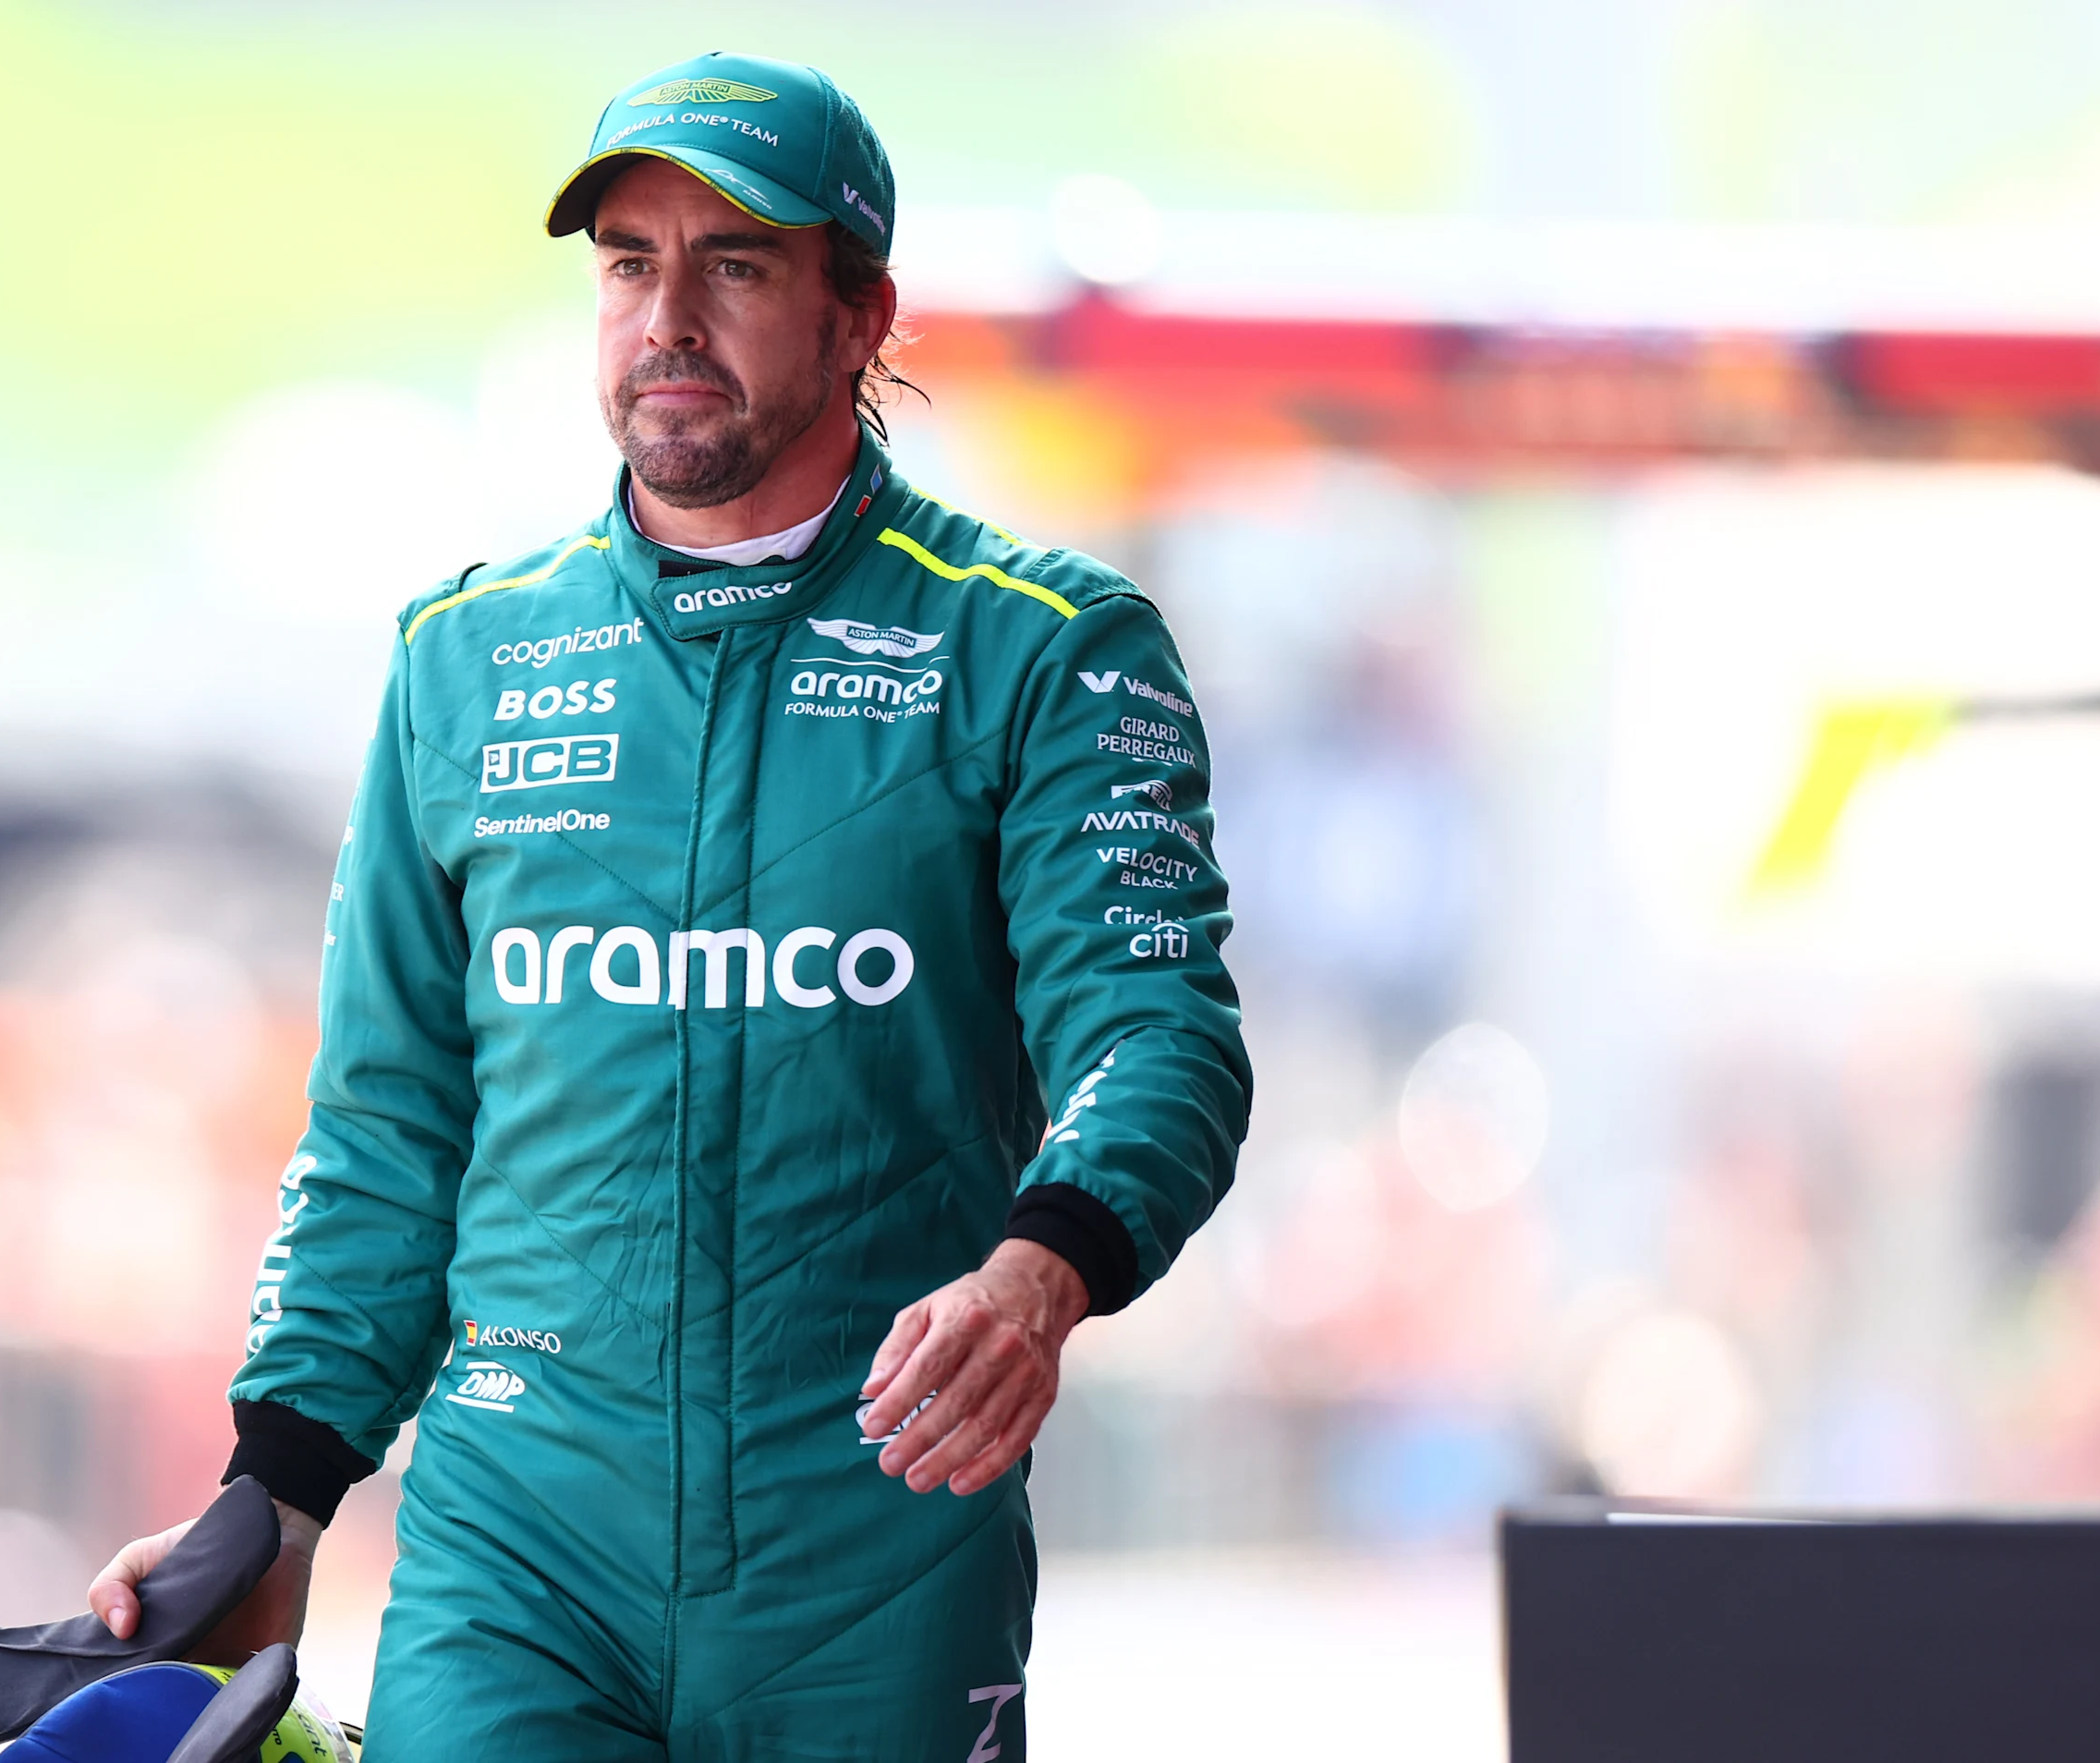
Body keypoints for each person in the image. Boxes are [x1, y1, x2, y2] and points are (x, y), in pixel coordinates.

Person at [88, 51, 1249, 1763]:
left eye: (738, 264)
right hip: (515, 1558)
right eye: (630, 264)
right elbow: (386, 1135)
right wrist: (275, 1499)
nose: (668, 319)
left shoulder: (1042, 648)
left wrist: (1041, 1273)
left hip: (873, 1548)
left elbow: (1162, 1043)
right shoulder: (463, 660)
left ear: (863, 317)